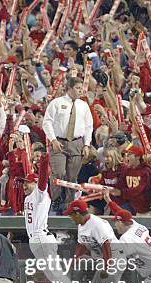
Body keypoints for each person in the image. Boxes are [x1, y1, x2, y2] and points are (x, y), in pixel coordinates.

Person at [22, 152, 85, 283]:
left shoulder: (40, 194)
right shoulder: (28, 198)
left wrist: (44, 160)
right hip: (36, 240)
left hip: (42, 238)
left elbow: (42, 180)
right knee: (52, 276)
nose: (25, 185)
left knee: (56, 274)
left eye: (28, 183)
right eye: (24, 183)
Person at [43, 77, 93, 206]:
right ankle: (56, 199)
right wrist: (53, 139)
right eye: (77, 88)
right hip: (59, 142)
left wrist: (87, 144)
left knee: (72, 176)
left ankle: (70, 203)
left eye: (81, 88)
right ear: (69, 89)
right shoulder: (56, 103)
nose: (80, 91)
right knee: (59, 172)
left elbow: (89, 126)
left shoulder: (84, 106)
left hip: (77, 143)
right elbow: (47, 122)